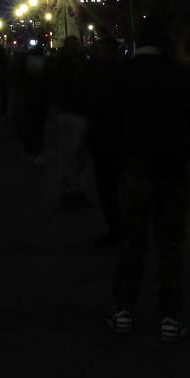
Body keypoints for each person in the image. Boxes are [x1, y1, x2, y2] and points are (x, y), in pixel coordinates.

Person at [105, 19, 190, 342]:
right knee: (170, 244)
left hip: (135, 169)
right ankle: (170, 316)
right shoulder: (183, 75)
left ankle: (123, 310)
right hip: (172, 170)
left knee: (133, 240)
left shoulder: (122, 74)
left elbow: (111, 124)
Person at [83, 35, 124, 246]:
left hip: (104, 136)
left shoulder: (95, 72)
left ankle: (116, 230)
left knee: (108, 188)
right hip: (121, 137)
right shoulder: (125, 70)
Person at [51, 36, 92, 209]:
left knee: (70, 154)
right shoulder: (75, 66)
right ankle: (74, 191)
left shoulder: (61, 65)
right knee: (75, 154)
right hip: (75, 112)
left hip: (68, 112)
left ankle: (72, 190)